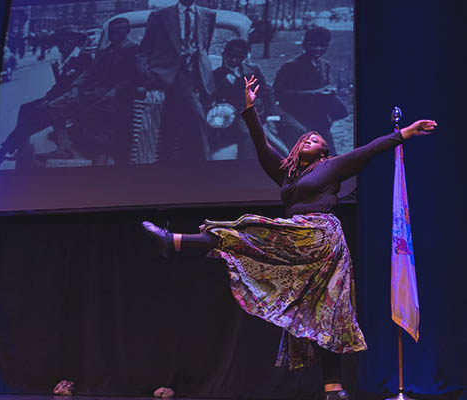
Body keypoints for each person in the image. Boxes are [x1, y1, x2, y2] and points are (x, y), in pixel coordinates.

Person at [142, 76, 436, 399]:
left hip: (322, 237)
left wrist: (405, 133)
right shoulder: (287, 175)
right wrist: (250, 107)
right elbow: (260, 145)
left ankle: (174, 241)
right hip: (300, 238)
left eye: (316, 140)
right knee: (317, 310)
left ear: (324, 151)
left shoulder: (333, 167)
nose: (310, 140)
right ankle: (333, 389)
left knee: (256, 237)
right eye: (306, 138)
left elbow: (368, 151)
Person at [45, 17, 146, 165]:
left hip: (115, 96)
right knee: (53, 107)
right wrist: (75, 87)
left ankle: (100, 154)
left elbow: (133, 76)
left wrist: (115, 90)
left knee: (94, 124)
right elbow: (89, 72)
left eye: (120, 30)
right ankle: (65, 148)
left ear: (127, 31)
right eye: (112, 31)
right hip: (92, 91)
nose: (115, 34)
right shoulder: (105, 51)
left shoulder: (134, 49)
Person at [0, 25, 92, 167]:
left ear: (72, 42)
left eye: (62, 42)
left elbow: (76, 85)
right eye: (58, 42)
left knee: (35, 114)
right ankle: (10, 148)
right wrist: (49, 96)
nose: (59, 46)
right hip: (59, 98)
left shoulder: (83, 57)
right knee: (25, 108)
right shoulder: (65, 57)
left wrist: (49, 100)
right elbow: (59, 85)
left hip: (71, 101)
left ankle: (4, 151)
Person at [137, 0, 216, 163]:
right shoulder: (160, 15)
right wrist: (148, 75)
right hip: (167, 73)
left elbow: (204, 46)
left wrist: (200, 68)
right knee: (195, 116)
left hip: (197, 74)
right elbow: (145, 48)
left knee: (175, 122)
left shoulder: (208, 15)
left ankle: (180, 164)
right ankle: (202, 161)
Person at [210, 38, 307, 159]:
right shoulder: (216, 75)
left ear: (245, 57)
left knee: (297, 129)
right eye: (230, 56)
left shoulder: (253, 70)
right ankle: (251, 168)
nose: (234, 60)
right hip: (239, 114)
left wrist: (272, 115)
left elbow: (267, 92)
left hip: (264, 109)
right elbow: (215, 99)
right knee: (248, 135)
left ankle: (299, 163)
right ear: (223, 54)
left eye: (239, 56)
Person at [273, 26, 348, 156]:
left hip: (320, 117)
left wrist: (329, 92)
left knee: (329, 156)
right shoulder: (291, 66)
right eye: (313, 45)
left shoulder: (325, 65)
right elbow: (278, 94)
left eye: (323, 45)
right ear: (304, 44)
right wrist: (313, 93)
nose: (318, 49)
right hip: (297, 117)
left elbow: (323, 87)